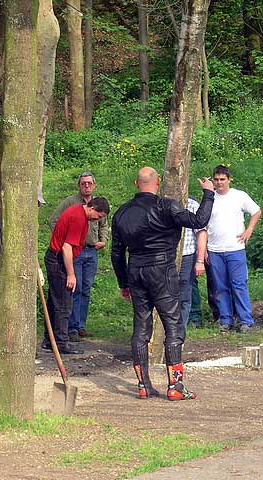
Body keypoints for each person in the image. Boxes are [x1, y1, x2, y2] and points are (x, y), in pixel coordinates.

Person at [111, 167, 214, 400]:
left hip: (135, 270)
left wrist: (123, 282)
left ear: (136, 184)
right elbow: (199, 220)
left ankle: (143, 385)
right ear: (157, 183)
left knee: (141, 328)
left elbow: (116, 252)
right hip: (162, 270)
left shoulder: (122, 212)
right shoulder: (166, 206)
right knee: (173, 326)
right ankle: (175, 387)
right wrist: (208, 194)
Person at [42, 197, 110, 355]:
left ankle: (49, 339)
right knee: (64, 303)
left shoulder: (79, 212)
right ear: (92, 208)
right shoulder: (78, 218)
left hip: (56, 256)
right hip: (59, 259)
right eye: (98, 216)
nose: (97, 220)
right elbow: (67, 247)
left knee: (54, 301)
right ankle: (61, 342)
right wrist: (71, 274)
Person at [200, 164, 261, 334]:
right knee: (220, 288)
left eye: (222, 179)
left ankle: (245, 321)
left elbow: (256, 212)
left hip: (235, 248)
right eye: (216, 179)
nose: (219, 183)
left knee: (239, 285)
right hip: (215, 249)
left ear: (228, 179)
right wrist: (203, 249)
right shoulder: (209, 198)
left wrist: (248, 230)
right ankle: (225, 320)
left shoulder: (239, 196)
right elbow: (203, 225)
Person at [49, 172, 108, 342]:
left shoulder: (96, 207)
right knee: (72, 290)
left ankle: (79, 325)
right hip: (72, 252)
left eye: (90, 183)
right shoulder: (73, 208)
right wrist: (71, 273)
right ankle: (68, 331)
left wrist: (102, 240)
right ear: (79, 185)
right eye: (84, 183)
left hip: (91, 250)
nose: (87, 186)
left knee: (85, 289)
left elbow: (104, 226)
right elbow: (65, 243)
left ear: (94, 185)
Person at [178, 196, 206, 334]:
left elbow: (201, 232)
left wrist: (200, 260)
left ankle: (179, 333)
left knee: (185, 295)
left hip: (187, 255)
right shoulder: (162, 202)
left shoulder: (192, 205)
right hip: (166, 256)